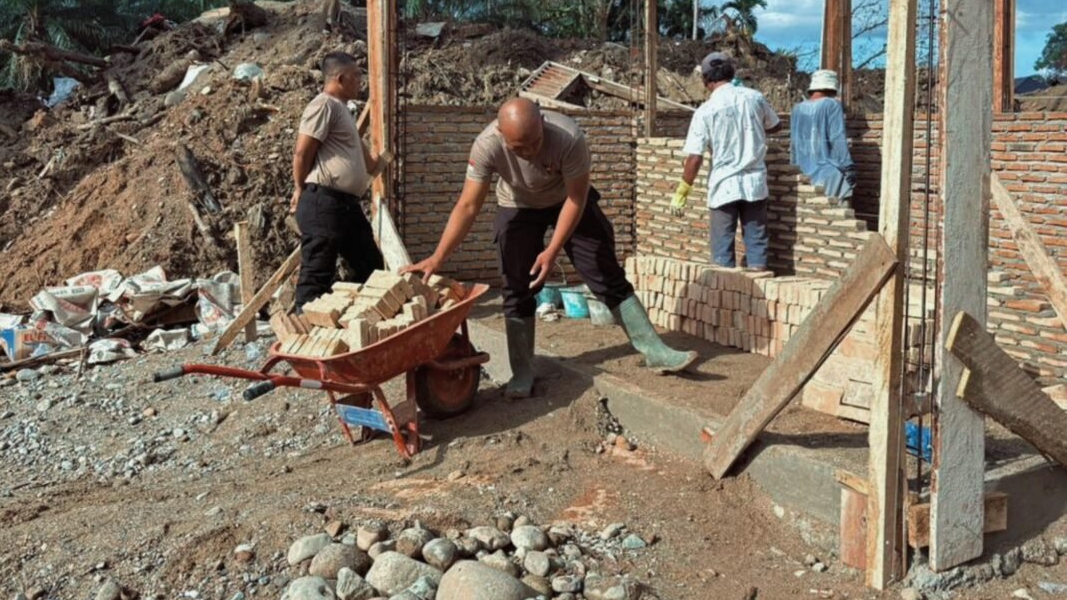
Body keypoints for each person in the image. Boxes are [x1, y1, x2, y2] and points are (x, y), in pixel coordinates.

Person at [404, 97, 696, 399]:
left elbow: (576, 199)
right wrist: (438, 257)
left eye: (534, 142)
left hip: (566, 202)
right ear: (502, 136)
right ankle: (522, 371)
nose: (529, 152)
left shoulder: (569, 137)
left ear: (542, 122)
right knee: (516, 285)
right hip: (517, 205)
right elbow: (467, 205)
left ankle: (655, 351)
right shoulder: (486, 145)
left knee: (603, 272)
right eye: (519, 148)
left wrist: (552, 249)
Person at [291, 51, 389, 310]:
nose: (360, 81)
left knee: (372, 268)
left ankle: (360, 330)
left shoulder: (343, 111)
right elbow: (303, 152)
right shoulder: (324, 104)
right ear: (340, 78)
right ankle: (304, 343)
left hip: (346, 207)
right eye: (356, 76)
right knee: (316, 277)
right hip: (324, 203)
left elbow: (368, 163)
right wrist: (299, 188)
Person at [671, 52, 781, 269]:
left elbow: (695, 157)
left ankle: (724, 291)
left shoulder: (705, 111)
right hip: (754, 184)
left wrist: (683, 190)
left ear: (705, 80)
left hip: (724, 186)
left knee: (722, 249)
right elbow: (776, 125)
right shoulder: (754, 98)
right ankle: (758, 283)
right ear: (732, 73)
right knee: (757, 243)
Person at [789, 69, 856, 199]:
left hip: (802, 175)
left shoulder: (797, 109)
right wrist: (848, 167)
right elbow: (837, 137)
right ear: (832, 88)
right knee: (838, 213)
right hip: (827, 174)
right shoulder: (832, 105)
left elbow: (793, 144)